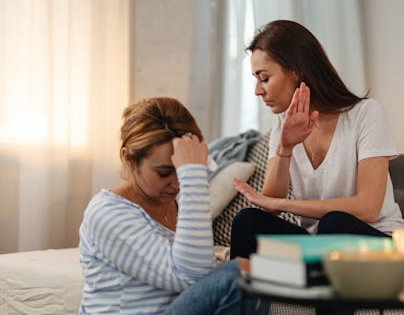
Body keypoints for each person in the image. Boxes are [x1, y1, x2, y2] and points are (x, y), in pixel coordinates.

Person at [230, 20, 404, 260]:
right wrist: (285, 148)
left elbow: (368, 209)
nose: (257, 91)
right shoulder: (284, 121)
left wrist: (287, 205)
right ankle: (239, 296)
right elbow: (269, 205)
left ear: (296, 71)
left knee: (334, 223)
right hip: (320, 246)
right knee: (248, 221)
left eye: (264, 78)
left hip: (377, 242)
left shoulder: (366, 114)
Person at [78, 97, 267, 315]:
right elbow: (190, 278)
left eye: (182, 169)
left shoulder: (178, 205)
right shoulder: (107, 212)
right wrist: (192, 175)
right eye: (164, 172)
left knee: (252, 274)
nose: (177, 183)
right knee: (236, 276)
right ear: (129, 159)